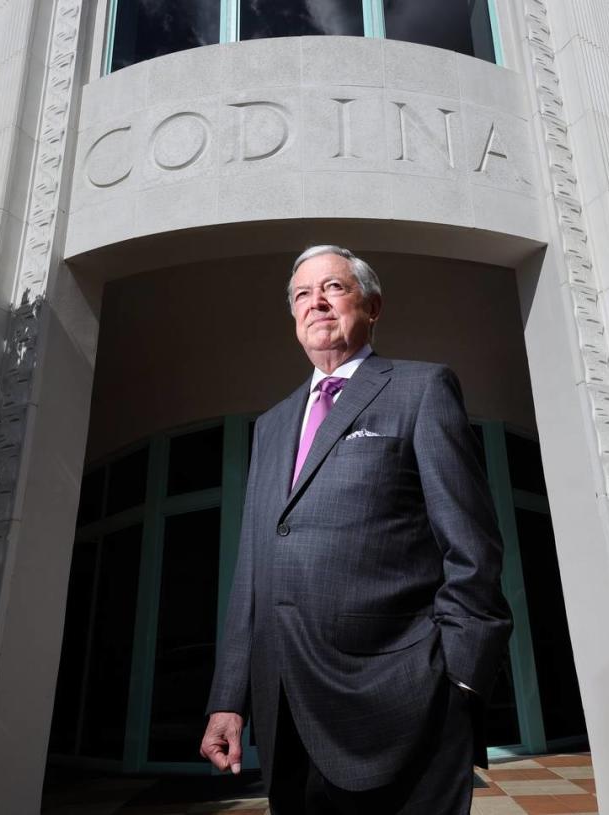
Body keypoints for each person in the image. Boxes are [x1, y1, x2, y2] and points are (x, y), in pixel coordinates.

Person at [200, 245, 512, 814]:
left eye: (334, 288)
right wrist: (229, 699)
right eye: (301, 294)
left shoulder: (421, 390)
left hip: (402, 701)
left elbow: (472, 547)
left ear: (372, 306)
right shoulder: (270, 427)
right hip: (287, 711)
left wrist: (460, 681)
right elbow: (252, 572)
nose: (315, 302)